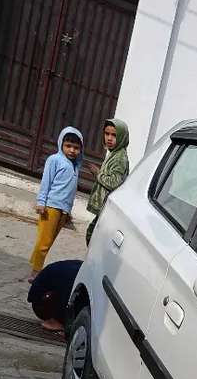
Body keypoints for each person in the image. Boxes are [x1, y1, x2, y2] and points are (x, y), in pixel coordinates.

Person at [28, 126, 84, 283]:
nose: (72, 150)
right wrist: (41, 202)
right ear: (61, 144)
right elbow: (46, 182)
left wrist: (68, 211)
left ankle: (35, 264)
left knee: (48, 241)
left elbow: (71, 190)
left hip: (63, 210)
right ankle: (35, 272)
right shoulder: (54, 160)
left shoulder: (76, 165)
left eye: (76, 147)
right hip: (51, 207)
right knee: (44, 242)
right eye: (68, 146)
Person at [86, 118, 130, 246]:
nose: (109, 138)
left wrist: (97, 173)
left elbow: (114, 183)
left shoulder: (120, 157)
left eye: (114, 135)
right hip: (106, 207)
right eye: (107, 134)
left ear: (122, 137)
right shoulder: (114, 153)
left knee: (93, 236)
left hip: (109, 207)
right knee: (92, 234)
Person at [26, 259, 82, 335]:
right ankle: (55, 321)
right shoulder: (77, 274)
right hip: (40, 303)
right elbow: (33, 296)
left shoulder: (81, 269)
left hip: (42, 295)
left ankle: (58, 320)